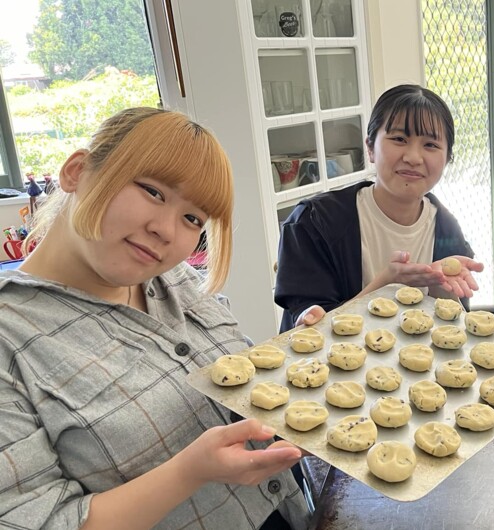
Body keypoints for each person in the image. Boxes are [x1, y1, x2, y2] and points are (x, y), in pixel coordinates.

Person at [0, 108, 310, 529]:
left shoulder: (174, 277)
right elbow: (36, 520)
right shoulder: (10, 337)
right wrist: (188, 472)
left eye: (192, 219)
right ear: (76, 172)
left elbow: (240, 385)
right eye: (153, 191)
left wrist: (300, 359)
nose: (167, 230)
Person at [275, 84, 482, 332]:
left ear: (447, 157)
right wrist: (387, 282)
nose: (414, 157)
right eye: (399, 139)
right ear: (371, 148)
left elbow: (453, 330)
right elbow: (310, 334)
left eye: (430, 145)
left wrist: (440, 286)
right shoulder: (314, 223)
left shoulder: (447, 230)